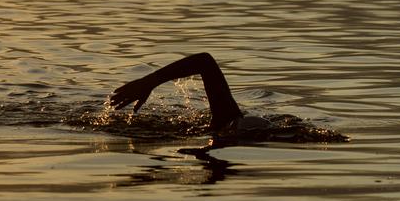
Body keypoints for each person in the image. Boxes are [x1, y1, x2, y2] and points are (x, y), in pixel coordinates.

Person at [109, 52, 346, 143]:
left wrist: (148, 82)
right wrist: (147, 82)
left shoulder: (225, 121)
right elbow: (204, 61)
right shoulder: (226, 119)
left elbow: (204, 61)